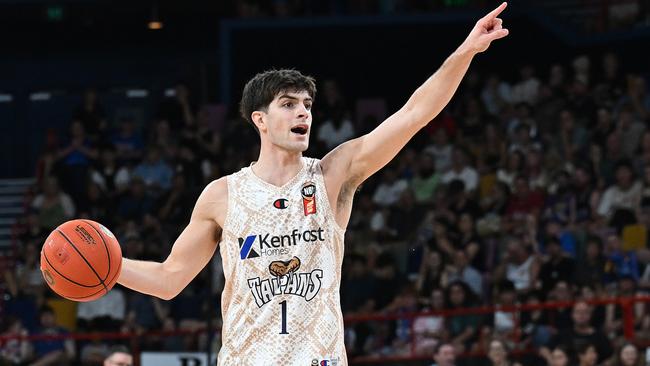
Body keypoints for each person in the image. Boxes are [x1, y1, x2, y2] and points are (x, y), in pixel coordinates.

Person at [116, 3, 510, 364]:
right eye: (288, 104)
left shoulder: (332, 173)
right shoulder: (222, 195)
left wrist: (466, 51)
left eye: (306, 104)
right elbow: (170, 280)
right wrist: (110, 268)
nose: (302, 111)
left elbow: (413, 115)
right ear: (260, 120)